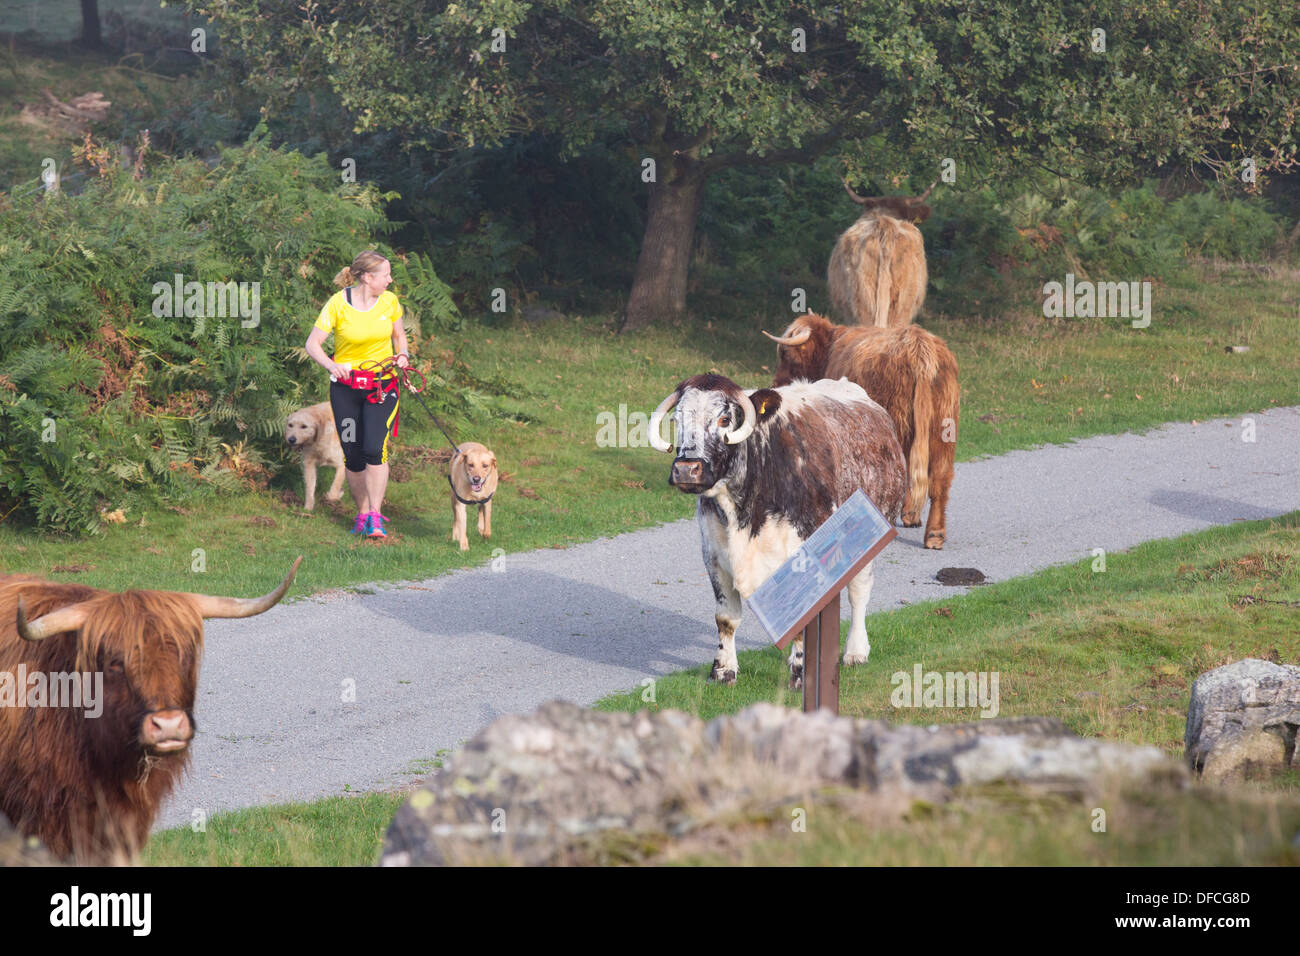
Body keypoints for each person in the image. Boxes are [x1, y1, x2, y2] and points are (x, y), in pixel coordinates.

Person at [304, 251, 410, 539]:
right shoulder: (338, 304)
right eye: (386, 275)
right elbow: (312, 344)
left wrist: (402, 355)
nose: (390, 280)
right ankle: (362, 514)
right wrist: (331, 364)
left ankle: (376, 515)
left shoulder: (389, 302)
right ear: (367, 277)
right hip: (347, 390)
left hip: (382, 386)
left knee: (375, 448)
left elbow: (399, 336)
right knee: (353, 454)